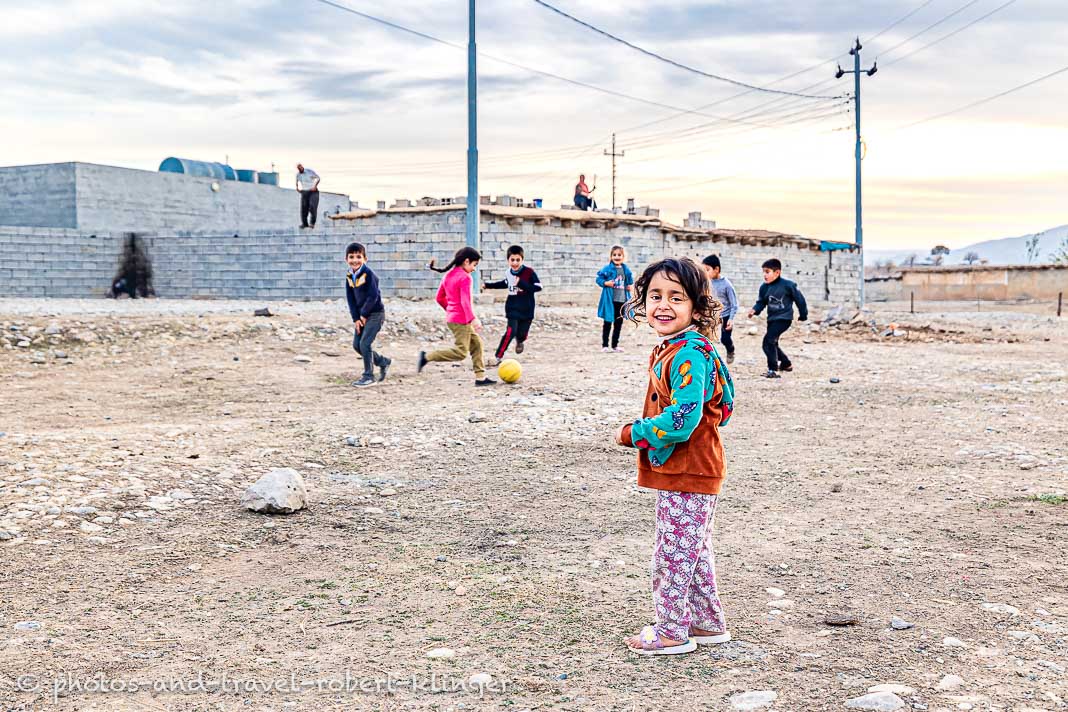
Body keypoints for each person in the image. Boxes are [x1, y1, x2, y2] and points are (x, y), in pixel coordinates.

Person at [614, 257, 734, 656]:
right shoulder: (682, 348)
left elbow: (683, 418)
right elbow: (725, 406)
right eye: (655, 296)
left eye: (676, 298)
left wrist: (636, 433)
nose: (662, 305)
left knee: (672, 555)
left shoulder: (689, 354)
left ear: (697, 309)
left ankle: (671, 632)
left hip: (689, 471)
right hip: (693, 470)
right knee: (692, 550)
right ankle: (706, 622)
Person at [418, 247, 497, 387]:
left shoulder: (448, 276)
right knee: (461, 353)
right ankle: (427, 357)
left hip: (453, 318)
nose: (474, 269)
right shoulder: (465, 278)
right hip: (462, 320)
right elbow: (465, 302)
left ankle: (480, 378)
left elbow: (439, 298)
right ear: (466, 261)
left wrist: (450, 310)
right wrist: (473, 318)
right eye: (474, 265)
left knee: (477, 344)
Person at [747, 258, 808, 379]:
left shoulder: (788, 285)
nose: (765, 275)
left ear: (777, 273)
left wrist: (803, 314)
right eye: (763, 272)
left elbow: (800, 299)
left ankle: (773, 370)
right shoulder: (764, 287)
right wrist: (754, 310)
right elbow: (761, 302)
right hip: (772, 319)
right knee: (773, 343)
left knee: (768, 342)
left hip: (784, 319)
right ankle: (786, 363)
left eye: (767, 272)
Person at [483, 245, 542, 360]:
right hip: (512, 307)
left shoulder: (529, 272)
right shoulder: (508, 273)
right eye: (512, 260)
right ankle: (498, 356)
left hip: (527, 308)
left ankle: (520, 341)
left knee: (522, 334)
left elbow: (538, 287)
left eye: (518, 260)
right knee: (511, 331)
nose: (515, 263)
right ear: (508, 260)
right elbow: (505, 283)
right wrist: (488, 285)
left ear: (522, 260)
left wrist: (522, 283)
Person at [345, 242, 391, 388]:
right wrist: (356, 319)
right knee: (357, 345)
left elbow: (373, 297)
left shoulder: (369, 275)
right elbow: (351, 299)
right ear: (346, 259)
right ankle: (383, 362)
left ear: (365, 259)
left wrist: (364, 315)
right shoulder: (349, 277)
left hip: (375, 314)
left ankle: (368, 376)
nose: (355, 260)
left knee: (365, 343)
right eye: (351, 257)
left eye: (358, 256)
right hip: (362, 316)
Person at [701, 255, 738, 364]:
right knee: (705, 336)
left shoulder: (727, 285)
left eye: (707, 270)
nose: (705, 273)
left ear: (716, 269)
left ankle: (730, 350)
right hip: (712, 315)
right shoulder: (706, 283)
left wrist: (731, 319)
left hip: (725, 315)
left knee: (725, 339)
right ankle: (706, 357)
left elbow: (734, 304)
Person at [596, 245, 633, 352]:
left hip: (621, 300)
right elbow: (599, 279)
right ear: (611, 256)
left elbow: (629, 281)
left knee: (618, 323)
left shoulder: (626, 269)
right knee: (607, 322)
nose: (617, 257)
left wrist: (629, 286)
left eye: (619, 255)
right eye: (614, 255)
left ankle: (615, 345)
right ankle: (605, 345)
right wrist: (605, 283)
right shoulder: (607, 269)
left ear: (623, 257)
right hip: (610, 300)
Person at [296, 163, 320, 229]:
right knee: (304, 209)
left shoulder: (309, 172)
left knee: (312, 206)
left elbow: (318, 178)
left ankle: (312, 223)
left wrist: (315, 186)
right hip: (304, 192)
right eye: (299, 168)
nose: (300, 169)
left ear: (302, 167)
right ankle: (304, 224)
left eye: (301, 167)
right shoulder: (298, 175)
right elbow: (297, 181)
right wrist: (297, 187)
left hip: (313, 191)